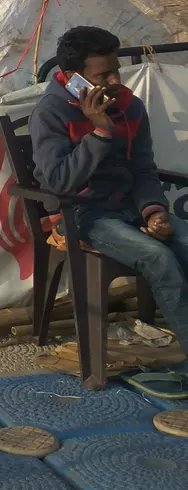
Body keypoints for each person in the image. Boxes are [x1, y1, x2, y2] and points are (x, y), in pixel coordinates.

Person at [31, 26, 188, 368]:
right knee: (158, 259)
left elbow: (144, 169)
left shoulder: (131, 107)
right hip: (84, 214)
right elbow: (59, 182)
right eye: (104, 75)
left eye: (116, 71)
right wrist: (100, 132)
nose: (115, 80)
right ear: (75, 79)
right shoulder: (50, 113)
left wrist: (153, 211)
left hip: (129, 205)